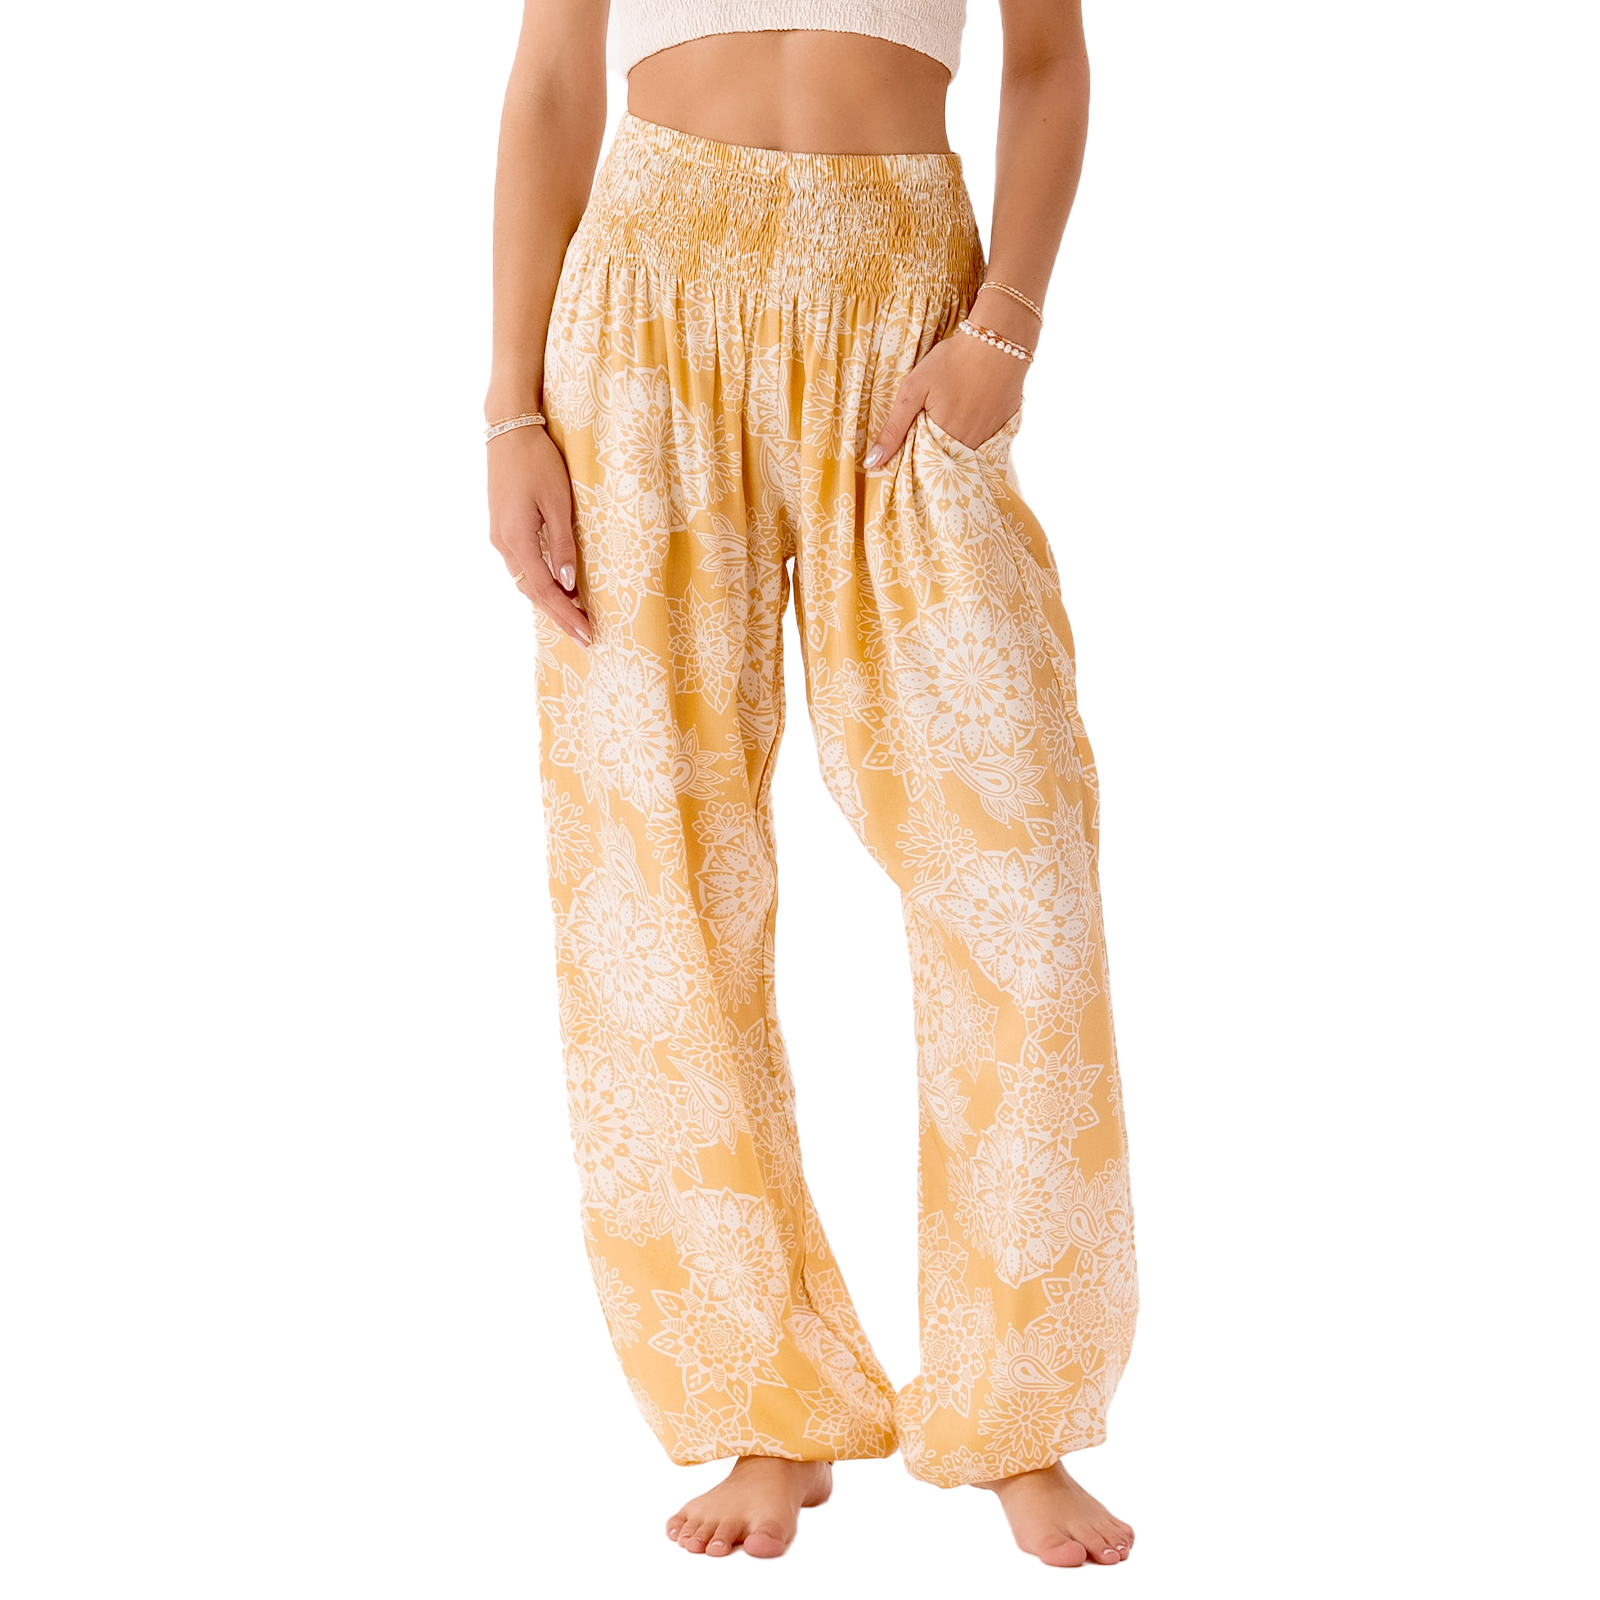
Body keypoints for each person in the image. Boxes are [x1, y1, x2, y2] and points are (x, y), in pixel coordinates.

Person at [485, 0, 1138, 1568]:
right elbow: (555, 81)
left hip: (903, 305)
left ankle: (1017, 1411)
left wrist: (1005, 325)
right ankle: (762, 1399)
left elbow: (1050, 59)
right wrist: (510, 410)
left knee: (1019, 876)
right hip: (645, 298)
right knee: (656, 875)